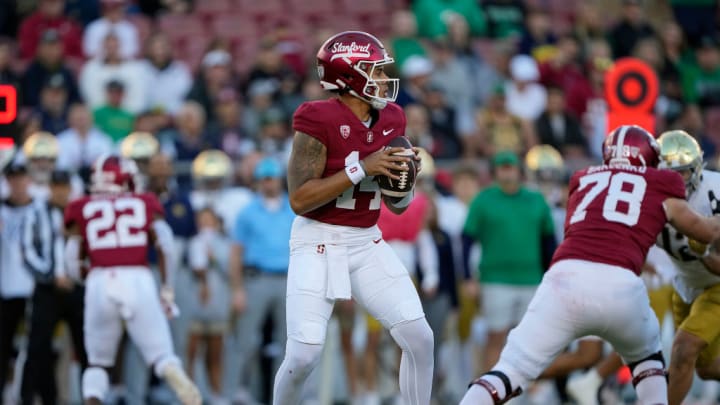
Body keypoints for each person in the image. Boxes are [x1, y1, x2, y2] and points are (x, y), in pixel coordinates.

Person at [460, 125, 720, 405]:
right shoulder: (659, 184)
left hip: (563, 279)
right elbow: (706, 232)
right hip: (621, 286)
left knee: (507, 371)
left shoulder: (582, 178)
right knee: (649, 364)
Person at [272, 31, 434, 405]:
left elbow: (397, 206)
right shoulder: (316, 117)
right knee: (303, 355)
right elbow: (299, 199)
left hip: (366, 240)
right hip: (317, 240)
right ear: (347, 76)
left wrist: (405, 179)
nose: (381, 79)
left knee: (419, 337)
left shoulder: (393, 117)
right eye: (373, 71)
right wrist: (363, 168)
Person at [63, 155, 200, 405]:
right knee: (161, 355)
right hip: (138, 277)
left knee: (97, 363)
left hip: (100, 278)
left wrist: (86, 277)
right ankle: (178, 379)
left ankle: (92, 399)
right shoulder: (145, 202)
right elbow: (166, 245)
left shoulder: (81, 206)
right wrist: (167, 288)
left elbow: (71, 258)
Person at [462, 150, 556, 373]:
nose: (506, 172)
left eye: (510, 167)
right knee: (496, 337)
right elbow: (467, 240)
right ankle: (489, 393)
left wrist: (550, 276)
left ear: (519, 170)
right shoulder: (484, 199)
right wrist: (468, 278)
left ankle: (526, 394)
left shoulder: (536, 200)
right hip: (495, 279)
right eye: (502, 168)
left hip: (531, 278)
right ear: (495, 172)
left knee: (530, 340)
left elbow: (548, 242)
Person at [652, 130, 720, 405]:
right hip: (684, 285)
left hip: (716, 285)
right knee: (704, 368)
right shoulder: (648, 198)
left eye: (682, 172)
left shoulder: (713, 193)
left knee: (682, 350)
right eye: (668, 173)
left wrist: (703, 251)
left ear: (697, 168)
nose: (675, 181)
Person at [230, 157, 295, 402]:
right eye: (265, 179)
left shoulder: (292, 208)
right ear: (259, 182)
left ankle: (285, 396)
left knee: (289, 344)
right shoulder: (247, 212)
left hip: (287, 279)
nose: (270, 184)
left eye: (273, 178)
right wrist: (237, 289)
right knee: (245, 340)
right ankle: (238, 390)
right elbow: (236, 252)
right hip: (256, 278)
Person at [20, 169, 87, 404]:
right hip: (47, 290)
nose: (60, 191)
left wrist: (79, 275)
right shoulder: (35, 213)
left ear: (70, 188)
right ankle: (30, 398)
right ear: (50, 188)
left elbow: (91, 250)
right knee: (37, 346)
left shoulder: (82, 214)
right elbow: (27, 252)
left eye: (64, 187)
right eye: (56, 186)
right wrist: (50, 276)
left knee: (86, 346)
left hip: (76, 289)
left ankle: (91, 398)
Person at [0, 163, 35, 398]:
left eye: (21, 178)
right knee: (2, 349)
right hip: (5, 289)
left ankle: (28, 396)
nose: (17, 184)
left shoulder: (40, 209)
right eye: (12, 179)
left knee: (34, 351)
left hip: (34, 289)